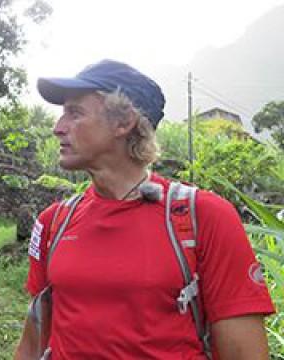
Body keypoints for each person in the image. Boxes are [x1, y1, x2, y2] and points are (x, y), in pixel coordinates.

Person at [20, 59, 275, 359]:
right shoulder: (55, 222)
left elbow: (244, 353)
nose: (57, 128)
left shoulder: (204, 217)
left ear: (123, 122)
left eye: (74, 113)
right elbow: (34, 337)